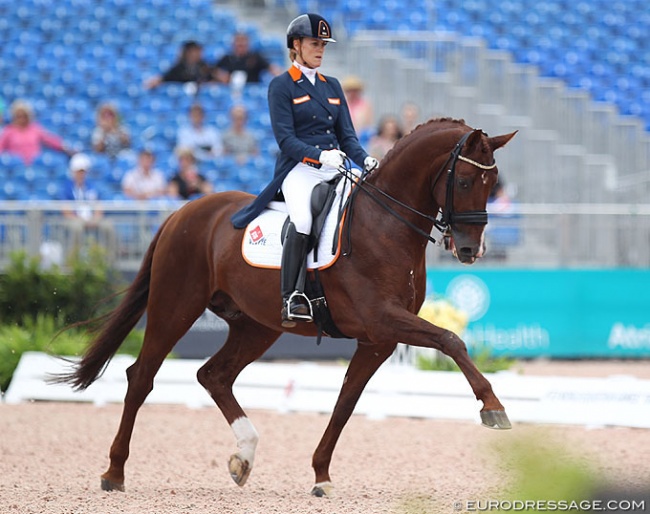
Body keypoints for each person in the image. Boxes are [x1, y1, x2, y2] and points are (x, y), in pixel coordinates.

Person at [230, 13, 379, 327]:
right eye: (315, 43)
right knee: (303, 219)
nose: (321, 49)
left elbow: (347, 136)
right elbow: (286, 140)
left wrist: (364, 160)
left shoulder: (333, 86)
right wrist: (320, 157)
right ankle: (292, 296)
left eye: (323, 44)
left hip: (336, 166)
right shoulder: (282, 86)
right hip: (299, 169)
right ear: (295, 46)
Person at [60, 153, 116, 258]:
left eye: (83, 172)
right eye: (78, 172)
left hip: (92, 219)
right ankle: (73, 260)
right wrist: (81, 220)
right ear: (73, 172)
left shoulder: (92, 186)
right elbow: (66, 210)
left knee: (108, 226)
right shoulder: (66, 187)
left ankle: (108, 260)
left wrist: (95, 218)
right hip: (75, 219)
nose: (81, 175)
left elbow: (99, 206)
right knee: (77, 228)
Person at [0, 100, 73, 165]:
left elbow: (50, 139)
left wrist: (65, 148)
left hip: (35, 165)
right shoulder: (9, 131)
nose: (21, 119)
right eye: (19, 116)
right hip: (16, 167)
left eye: (24, 116)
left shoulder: (35, 129)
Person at [213, 32, 281, 86]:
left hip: (251, 90)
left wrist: (280, 77)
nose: (240, 45)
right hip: (231, 89)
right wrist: (221, 76)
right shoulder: (227, 58)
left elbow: (271, 68)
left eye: (243, 43)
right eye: (238, 43)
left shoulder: (255, 57)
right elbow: (214, 70)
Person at [144, 40, 212, 90]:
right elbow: (165, 78)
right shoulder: (179, 68)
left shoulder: (204, 67)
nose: (199, 54)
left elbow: (212, 79)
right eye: (195, 51)